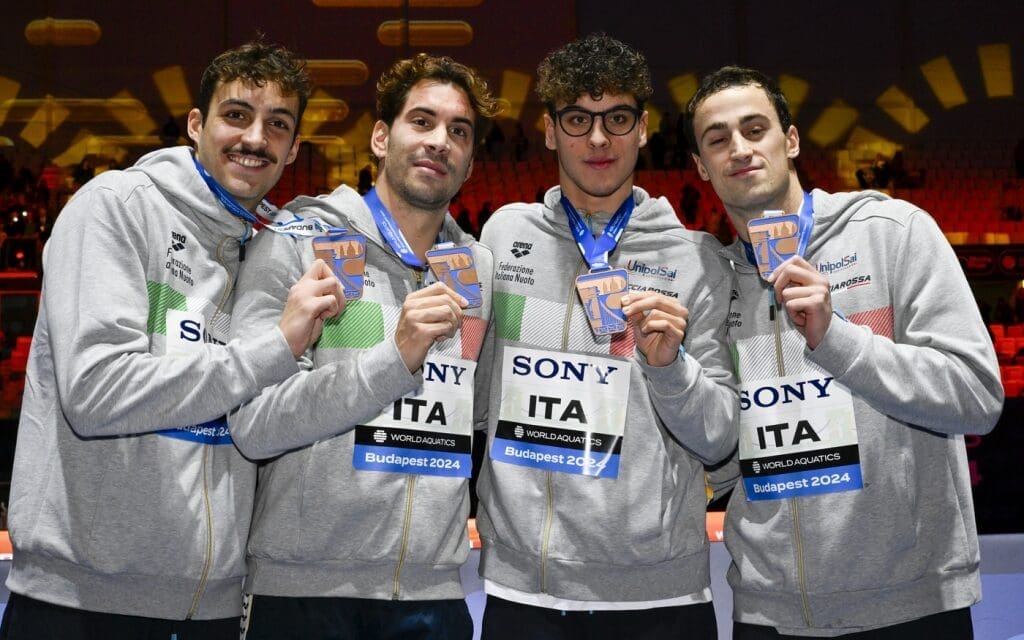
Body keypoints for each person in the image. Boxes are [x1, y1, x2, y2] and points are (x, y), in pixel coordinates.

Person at [0, 41, 344, 639]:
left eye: (277, 125)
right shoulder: (115, 208)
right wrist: (274, 347)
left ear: (292, 150)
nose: (255, 138)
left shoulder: (270, 249)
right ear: (196, 125)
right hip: (83, 603)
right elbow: (96, 392)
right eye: (237, 115)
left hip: (211, 609)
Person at [685, 65, 1004, 638]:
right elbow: (725, 447)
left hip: (910, 604)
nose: (739, 148)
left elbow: (976, 395)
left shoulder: (892, 232)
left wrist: (838, 340)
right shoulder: (712, 280)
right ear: (701, 167)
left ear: (791, 140)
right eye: (717, 139)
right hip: (768, 611)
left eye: (755, 128)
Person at [227, 53, 500, 639]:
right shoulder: (296, 242)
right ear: (381, 136)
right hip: (305, 591)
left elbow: (477, 415)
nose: (439, 141)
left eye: (459, 131)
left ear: (471, 161)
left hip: (434, 596)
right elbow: (253, 424)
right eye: (421, 122)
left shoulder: (480, 272)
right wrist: (392, 359)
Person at [475, 33, 737, 639]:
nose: (598, 139)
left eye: (616, 118)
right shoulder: (502, 235)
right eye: (578, 119)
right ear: (549, 129)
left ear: (643, 129)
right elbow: (477, 395)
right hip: (524, 591)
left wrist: (671, 369)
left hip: (660, 594)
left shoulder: (698, 259)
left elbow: (720, 435)